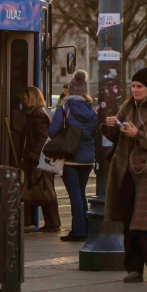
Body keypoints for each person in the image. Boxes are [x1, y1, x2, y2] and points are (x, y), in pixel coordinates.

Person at [102, 67, 147, 283]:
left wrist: (137, 134)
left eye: (139, 86)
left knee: (143, 224)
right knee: (128, 221)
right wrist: (109, 126)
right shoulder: (127, 106)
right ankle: (134, 268)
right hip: (126, 171)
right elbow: (116, 137)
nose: (135, 90)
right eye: (133, 86)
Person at [50, 71, 99, 242]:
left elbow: (52, 131)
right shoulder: (92, 111)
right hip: (88, 158)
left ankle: (78, 231)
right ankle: (85, 227)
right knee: (81, 192)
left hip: (71, 157)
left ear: (70, 91)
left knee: (75, 195)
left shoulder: (64, 109)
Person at [18, 86, 59, 232]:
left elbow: (43, 136)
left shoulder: (37, 114)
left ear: (32, 98)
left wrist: (34, 155)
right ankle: (51, 223)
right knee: (44, 188)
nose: (23, 101)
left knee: (44, 188)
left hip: (38, 159)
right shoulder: (39, 112)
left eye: (25, 97)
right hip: (39, 158)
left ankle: (52, 223)